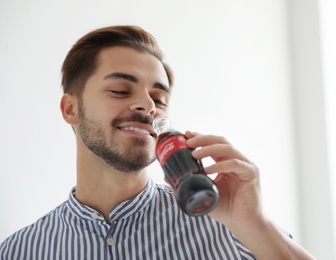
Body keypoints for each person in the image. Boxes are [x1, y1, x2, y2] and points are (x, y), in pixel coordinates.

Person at [0, 25, 315, 259]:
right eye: (121, 90)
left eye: (159, 99)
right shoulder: (19, 251)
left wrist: (255, 225)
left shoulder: (229, 228)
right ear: (71, 109)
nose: (148, 107)